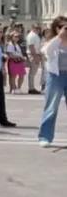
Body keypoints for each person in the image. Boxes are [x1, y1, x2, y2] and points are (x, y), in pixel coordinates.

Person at [39, 16, 67, 147]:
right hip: (55, 76)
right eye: (63, 27)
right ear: (57, 28)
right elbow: (47, 52)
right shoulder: (51, 42)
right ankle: (45, 136)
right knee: (51, 107)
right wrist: (59, 37)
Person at [26, 24, 43, 94]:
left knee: (33, 72)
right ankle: (31, 88)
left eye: (39, 28)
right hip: (33, 54)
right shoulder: (32, 35)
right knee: (32, 73)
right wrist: (35, 57)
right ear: (32, 28)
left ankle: (32, 87)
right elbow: (31, 47)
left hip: (35, 54)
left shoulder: (34, 35)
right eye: (36, 28)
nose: (38, 29)